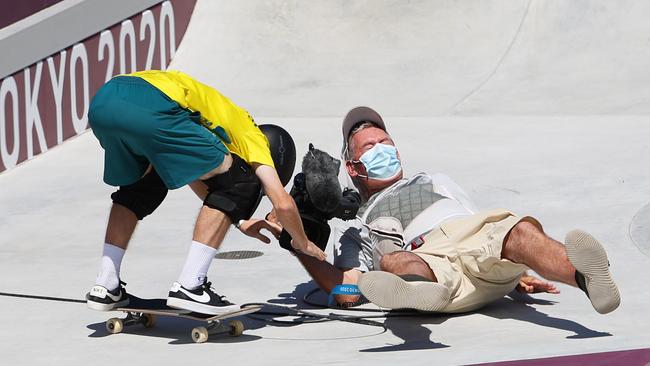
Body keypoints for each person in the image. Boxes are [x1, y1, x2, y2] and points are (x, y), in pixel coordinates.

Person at [278, 106, 619, 315]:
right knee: (394, 261)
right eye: (370, 146)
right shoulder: (356, 229)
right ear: (353, 168)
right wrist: (297, 244)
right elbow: (346, 290)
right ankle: (419, 290)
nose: (382, 149)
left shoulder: (436, 180)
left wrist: (520, 277)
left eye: (386, 143)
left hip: (474, 245)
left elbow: (483, 231)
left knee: (516, 231)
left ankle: (584, 277)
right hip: (429, 259)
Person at [85, 70, 326, 314]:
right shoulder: (254, 140)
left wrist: (239, 220)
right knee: (239, 183)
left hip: (105, 101)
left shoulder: (220, 128)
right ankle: (191, 286)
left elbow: (191, 171)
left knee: (142, 188)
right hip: (153, 106)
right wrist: (303, 242)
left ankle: (106, 284)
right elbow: (283, 203)